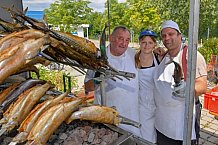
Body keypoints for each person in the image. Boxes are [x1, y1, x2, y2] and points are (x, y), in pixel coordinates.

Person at [152, 20, 207, 145]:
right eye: (164, 35)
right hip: (162, 123)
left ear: (180, 36)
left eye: (171, 34)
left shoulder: (191, 55)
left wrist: (187, 90)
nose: (167, 38)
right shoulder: (164, 55)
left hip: (181, 127)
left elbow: (202, 85)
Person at [84, 26, 140, 136]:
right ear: (111, 38)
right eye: (120, 38)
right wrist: (97, 79)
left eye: (127, 40)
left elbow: (148, 56)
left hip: (132, 115)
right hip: (108, 117)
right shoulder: (98, 58)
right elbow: (87, 87)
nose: (124, 43)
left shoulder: (132, 53)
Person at [135, 29, 163, 143]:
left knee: (157, 131)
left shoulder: (158, 58)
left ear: (154, 44)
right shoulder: (135, 58)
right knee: (145, 133)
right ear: (139, 43)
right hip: (141, 103)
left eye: (150, 43)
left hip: (157, 101)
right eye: (144, 42)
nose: (147, 45)